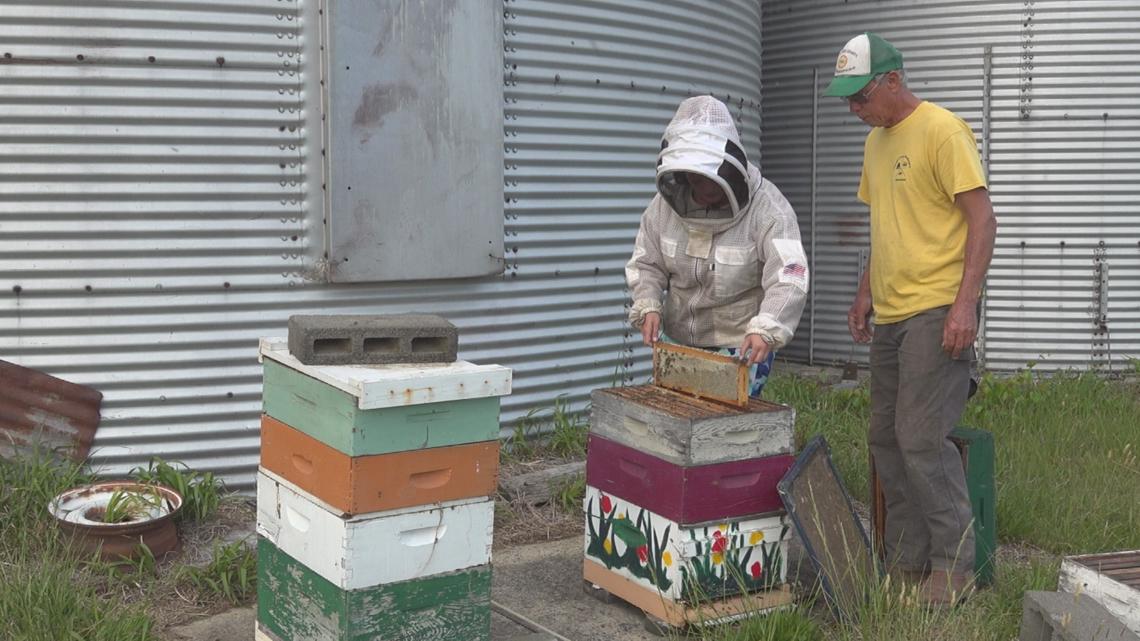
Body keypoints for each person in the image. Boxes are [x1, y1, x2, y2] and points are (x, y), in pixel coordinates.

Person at [825, 33, 998, 605]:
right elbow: (888, 230)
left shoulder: (942, 131)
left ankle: (954, 566)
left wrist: (965, 304)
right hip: (892, 312)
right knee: (884, 438)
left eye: (862, 95)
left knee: (921, 437)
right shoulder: (876, 144)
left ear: (893, 80)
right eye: (848, 99)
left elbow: (982, 220)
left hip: (935, 309)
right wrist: (862, 296)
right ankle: (904, 561)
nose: (855, 109)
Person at [625, 96, 808, 397]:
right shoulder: (663, 209)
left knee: (729, 432)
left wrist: (767, 326)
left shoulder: (769, 210)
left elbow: (790, 276)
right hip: (678, 341)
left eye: (710, 177)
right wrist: (648, 303)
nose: (704, 188)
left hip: (740, 346)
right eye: (694, 178)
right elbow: (647, 262)